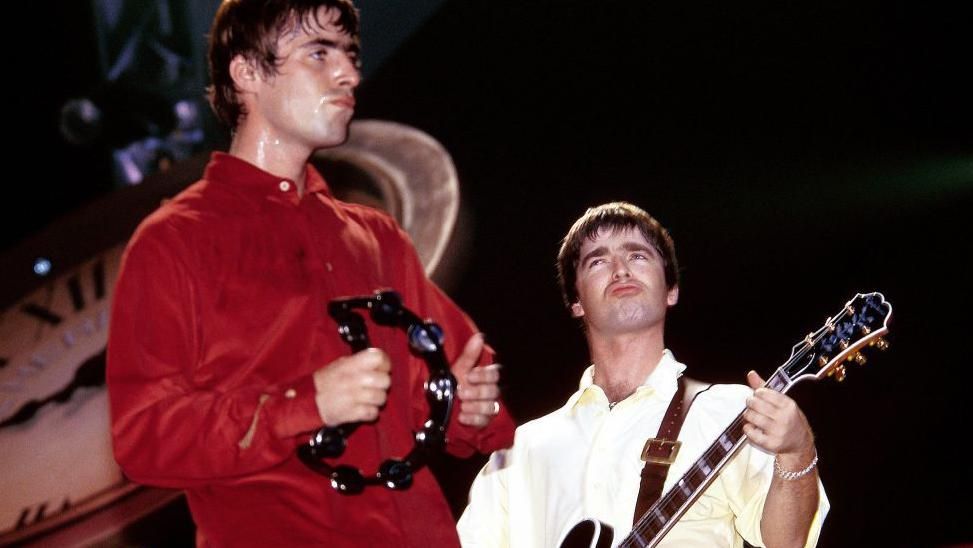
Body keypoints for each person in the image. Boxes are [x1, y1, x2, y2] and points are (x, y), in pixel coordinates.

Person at [106, 1, 513, 546]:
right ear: (246, 72)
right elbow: (143, 439)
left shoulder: (377, 238)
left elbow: (461, 384)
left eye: (349, 54)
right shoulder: (174, 242)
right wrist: (302, 406)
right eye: (318, 52)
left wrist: (466, 406)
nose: (348, 73)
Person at [457, 202, 828, 547]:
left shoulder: (732, 411)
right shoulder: (521, 450)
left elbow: (788, 543)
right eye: (597, 262)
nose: (621, 269)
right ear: (575, 303)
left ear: (671, 290)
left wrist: (797, 452)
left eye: (638, 255)